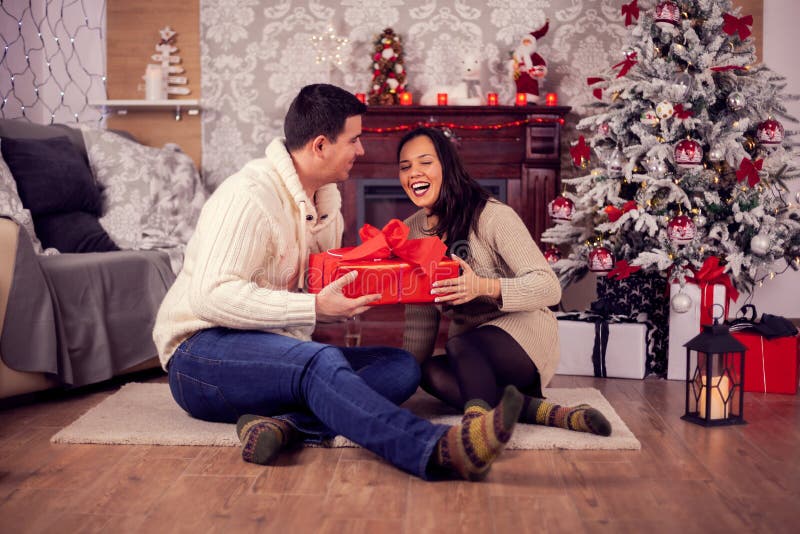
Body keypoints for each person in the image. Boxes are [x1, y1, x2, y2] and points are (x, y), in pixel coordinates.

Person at [152, 84, 523, 481]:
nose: (362, 150)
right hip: (200, 358)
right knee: (321, 361)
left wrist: (388, 279)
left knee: (398, 368)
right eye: (354, 140)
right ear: (320, 146)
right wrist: (314, 308)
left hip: (272, 352)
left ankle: (285, 425)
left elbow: (315, 284)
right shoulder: (247, 196)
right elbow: (210, 297)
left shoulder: (325, 202)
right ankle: (437, 450)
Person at [398, 127, 611, 437]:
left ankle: (477, 432)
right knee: (429, 372)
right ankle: (544, 412)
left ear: (447, 165)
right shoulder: (410, 231)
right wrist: (402, 379)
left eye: (425, 162)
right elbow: (420, 317)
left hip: (524, 338)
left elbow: (548, 287)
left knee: (461, 346)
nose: (414, 172)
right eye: (405, 167)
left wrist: (483, 286)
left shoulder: (492, 215)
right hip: (472, 353)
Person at [511, 20, 549, 103]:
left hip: (530, 78)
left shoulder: (534, 56)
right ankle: (520, 101)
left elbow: (543, 67)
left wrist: (534, 71)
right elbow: (512, 66)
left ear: (532, 45)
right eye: (524, 42)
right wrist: (513, 68)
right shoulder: (517, 55)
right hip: (520, 78)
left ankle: (531, 101)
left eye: (528, 42)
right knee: (520, 91)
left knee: (531, 89)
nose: (526, 44)